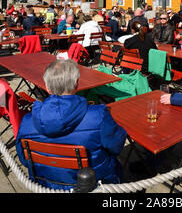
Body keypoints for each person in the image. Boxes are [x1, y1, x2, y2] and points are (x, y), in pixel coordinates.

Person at [16, 59, 127, 190]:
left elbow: (24, 159)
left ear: (47, 87)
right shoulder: (98, 115)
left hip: (46, 185)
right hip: (95, 185)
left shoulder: (27, 121)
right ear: (76, 85)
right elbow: (116, 146)